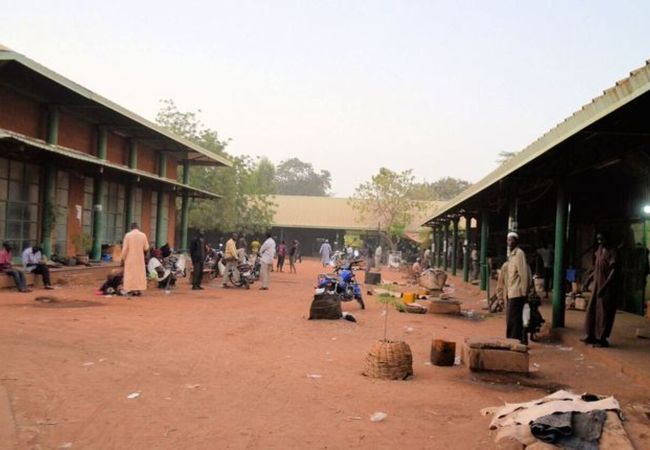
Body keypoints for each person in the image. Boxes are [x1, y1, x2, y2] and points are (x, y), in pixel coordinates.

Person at [583, 233, 617, 348]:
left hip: (606, 286)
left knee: (603, 312)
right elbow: (596, 268)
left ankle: (601, 338)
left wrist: (605, 286)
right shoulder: (599, 250)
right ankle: (591, 335)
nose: (600, 242)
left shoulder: (612, 252)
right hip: (597, 285)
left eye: (602, 239)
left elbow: (613, 271)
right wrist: (588, 280)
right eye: (598, 239)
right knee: (592, 310)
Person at [504, 232, 529, 344]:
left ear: (516, 241)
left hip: (517, 293)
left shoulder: (519, 254)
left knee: (514, 320)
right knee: (512, 319)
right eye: (508, 240)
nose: (509, 242)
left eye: (511, 240)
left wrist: (524, 292)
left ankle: (514, 341)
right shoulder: (512, 255)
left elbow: (523, 274)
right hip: (511, 292)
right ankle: (514, 340)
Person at [120, 223, 149, 297]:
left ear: (131, 228)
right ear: (138, 227)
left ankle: (130, 290)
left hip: (130, 258)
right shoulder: (143, 235)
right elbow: (146, 247)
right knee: (139, 274)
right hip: (140, 258)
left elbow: (125, 248)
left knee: (130, 274)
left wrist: (122, 257)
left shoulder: (128, 235)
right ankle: (138, 290)